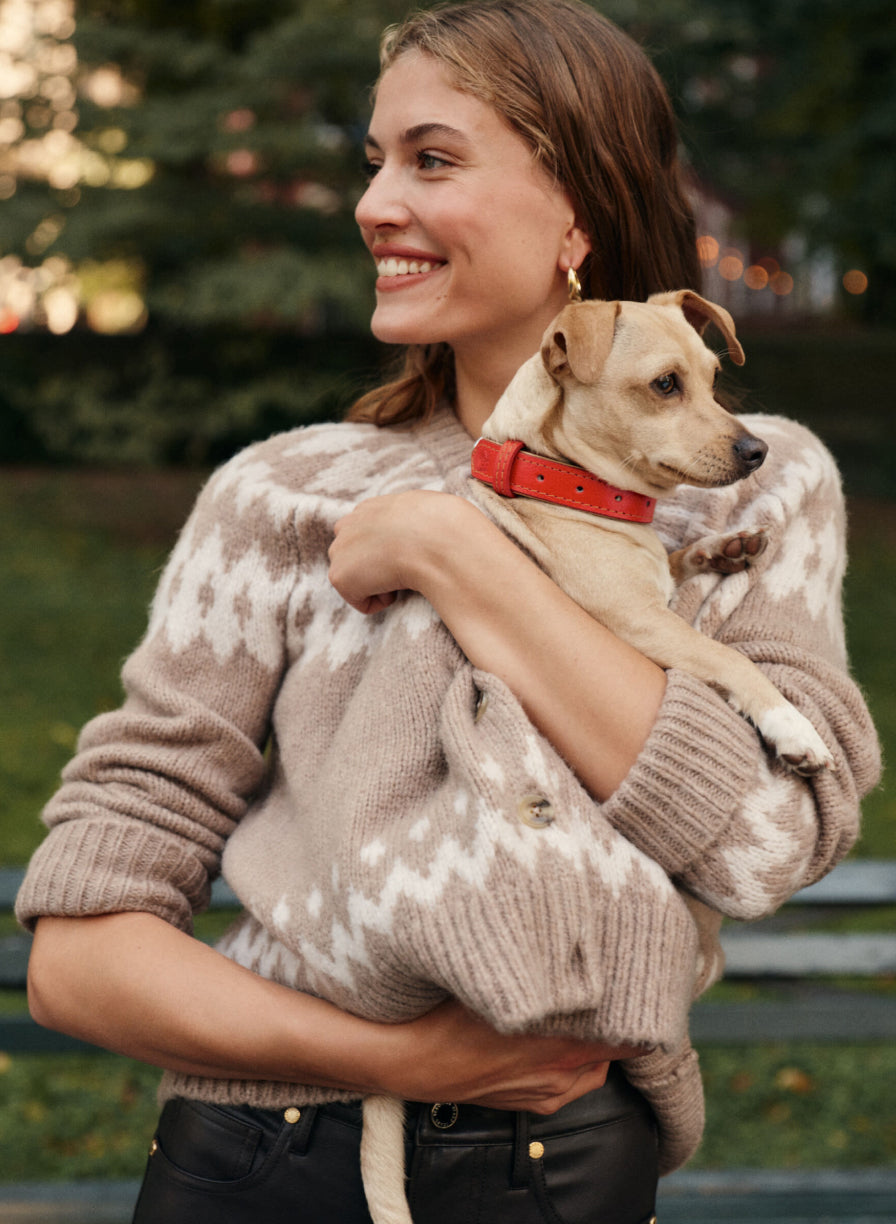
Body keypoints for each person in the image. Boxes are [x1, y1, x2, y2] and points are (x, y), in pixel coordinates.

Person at [17, 2, 880, 1222]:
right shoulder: (280, 498)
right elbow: (77, 957)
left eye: (431, 160)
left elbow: (759, 840)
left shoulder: (748, 486)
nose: (374, 204)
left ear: (575, 217)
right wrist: (399, 1060)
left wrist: (453, 551)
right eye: (373, 162)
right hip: (260, 1164)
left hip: (563, 1171)